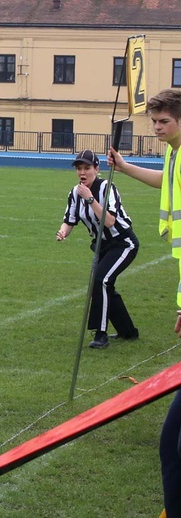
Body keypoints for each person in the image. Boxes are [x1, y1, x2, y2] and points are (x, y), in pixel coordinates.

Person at [107, 88, 181, 518]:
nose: (156, 128)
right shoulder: (174, 153)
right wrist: (126, 167)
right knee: (172, 444)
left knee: (173, 443)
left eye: (164, 122)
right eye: (153, 121)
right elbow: (164, 182)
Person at [55, 149, 139, 349]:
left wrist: (91, 199)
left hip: (123, 243)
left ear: (97, 169)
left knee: (101, 281)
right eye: (79, 169)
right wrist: (63, 232)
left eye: (87, 168)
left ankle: (100, 334)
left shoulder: (106, 188)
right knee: (103, 283)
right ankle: (128, 331)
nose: (82, 173)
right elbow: (70, 220)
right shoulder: (75, 193)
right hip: (103, 246)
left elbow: (109, 221)